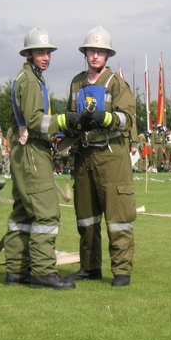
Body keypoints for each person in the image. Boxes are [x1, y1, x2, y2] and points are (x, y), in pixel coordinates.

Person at [5, 26, 80, 290]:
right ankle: (43, 272)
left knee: (23, 213)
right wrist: (66, 121)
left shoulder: (31, 78)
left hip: (26, 150)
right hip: (32, 150)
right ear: (29, 54)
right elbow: (36, 122)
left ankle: (16, 270)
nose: (46, 56)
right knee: (46, 213)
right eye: (40, 52)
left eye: (48, 52)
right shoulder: (30, 81)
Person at [65, 25, 137, 287]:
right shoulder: (76, 82)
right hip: (84, 156)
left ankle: (121, 271)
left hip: (111, 156)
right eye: (91, 51)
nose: (95, 56)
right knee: (86, 218)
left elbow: (128, 119)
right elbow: (70, 114)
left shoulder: (116, 83)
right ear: (85, 53)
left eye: (100, 52)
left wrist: (104, 117)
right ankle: (89, 267)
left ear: (107, 56)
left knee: (118, 218)